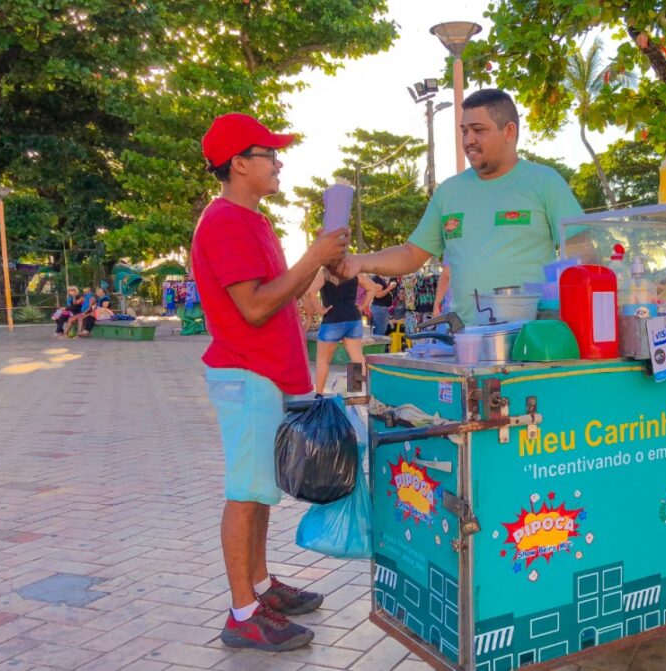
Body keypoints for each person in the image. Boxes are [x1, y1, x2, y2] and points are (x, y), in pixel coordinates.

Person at [191, 112, 350, 652]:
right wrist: (314, 255)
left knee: (259, 490)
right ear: (239, 164)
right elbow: (254, 306)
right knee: (246, 491)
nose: (279, 162)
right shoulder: (225, 223)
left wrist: (317, 266)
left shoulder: (251, 220)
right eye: (269, 154)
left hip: (263, 374)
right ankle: (242, 613)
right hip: (245, 371)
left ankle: (259, 586)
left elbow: (273, 293)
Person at [337, 89, 583, 325]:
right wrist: (359, 261)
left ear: (509, 132)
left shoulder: (544, 182)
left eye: (478, 130)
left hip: (534, 340)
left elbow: (583, 249)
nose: (468, 140)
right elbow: (411, 254)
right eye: (464, 131)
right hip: (467, 339)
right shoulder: (449, 191)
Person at [304, 267, 377, 395]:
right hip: (353, 318)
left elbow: (311, 292)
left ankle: (319, 395)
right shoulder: (352, 271)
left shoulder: (325, 273)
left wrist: (321, 311)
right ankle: (357, 394)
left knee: (323, 360)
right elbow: (372, 287)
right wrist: (363, 306)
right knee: (357, 358)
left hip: (332, 319)